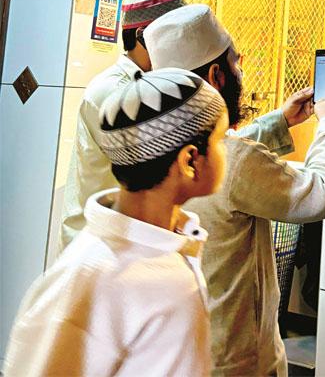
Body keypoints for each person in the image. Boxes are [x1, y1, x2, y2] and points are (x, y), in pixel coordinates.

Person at [144, 4, 325, 376]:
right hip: (234, 360)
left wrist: (281, 120)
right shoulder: (233, 159)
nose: (241, 71)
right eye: (236, 63)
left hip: (172, 352)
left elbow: (229, 155)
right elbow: (319, 192)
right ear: (216, 75)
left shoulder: (151, 145)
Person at [3, 68, 228, 376]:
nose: (225, 150)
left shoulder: (156, 251)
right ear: (190, 161)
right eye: (220, 140)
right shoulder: (110, 277)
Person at [60, 0, 302, 250]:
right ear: (143, 36)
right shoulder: (122, 93)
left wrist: (279, 121)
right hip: (108, 246)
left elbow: (205, 144)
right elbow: (190, 150)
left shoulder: (150, 88)